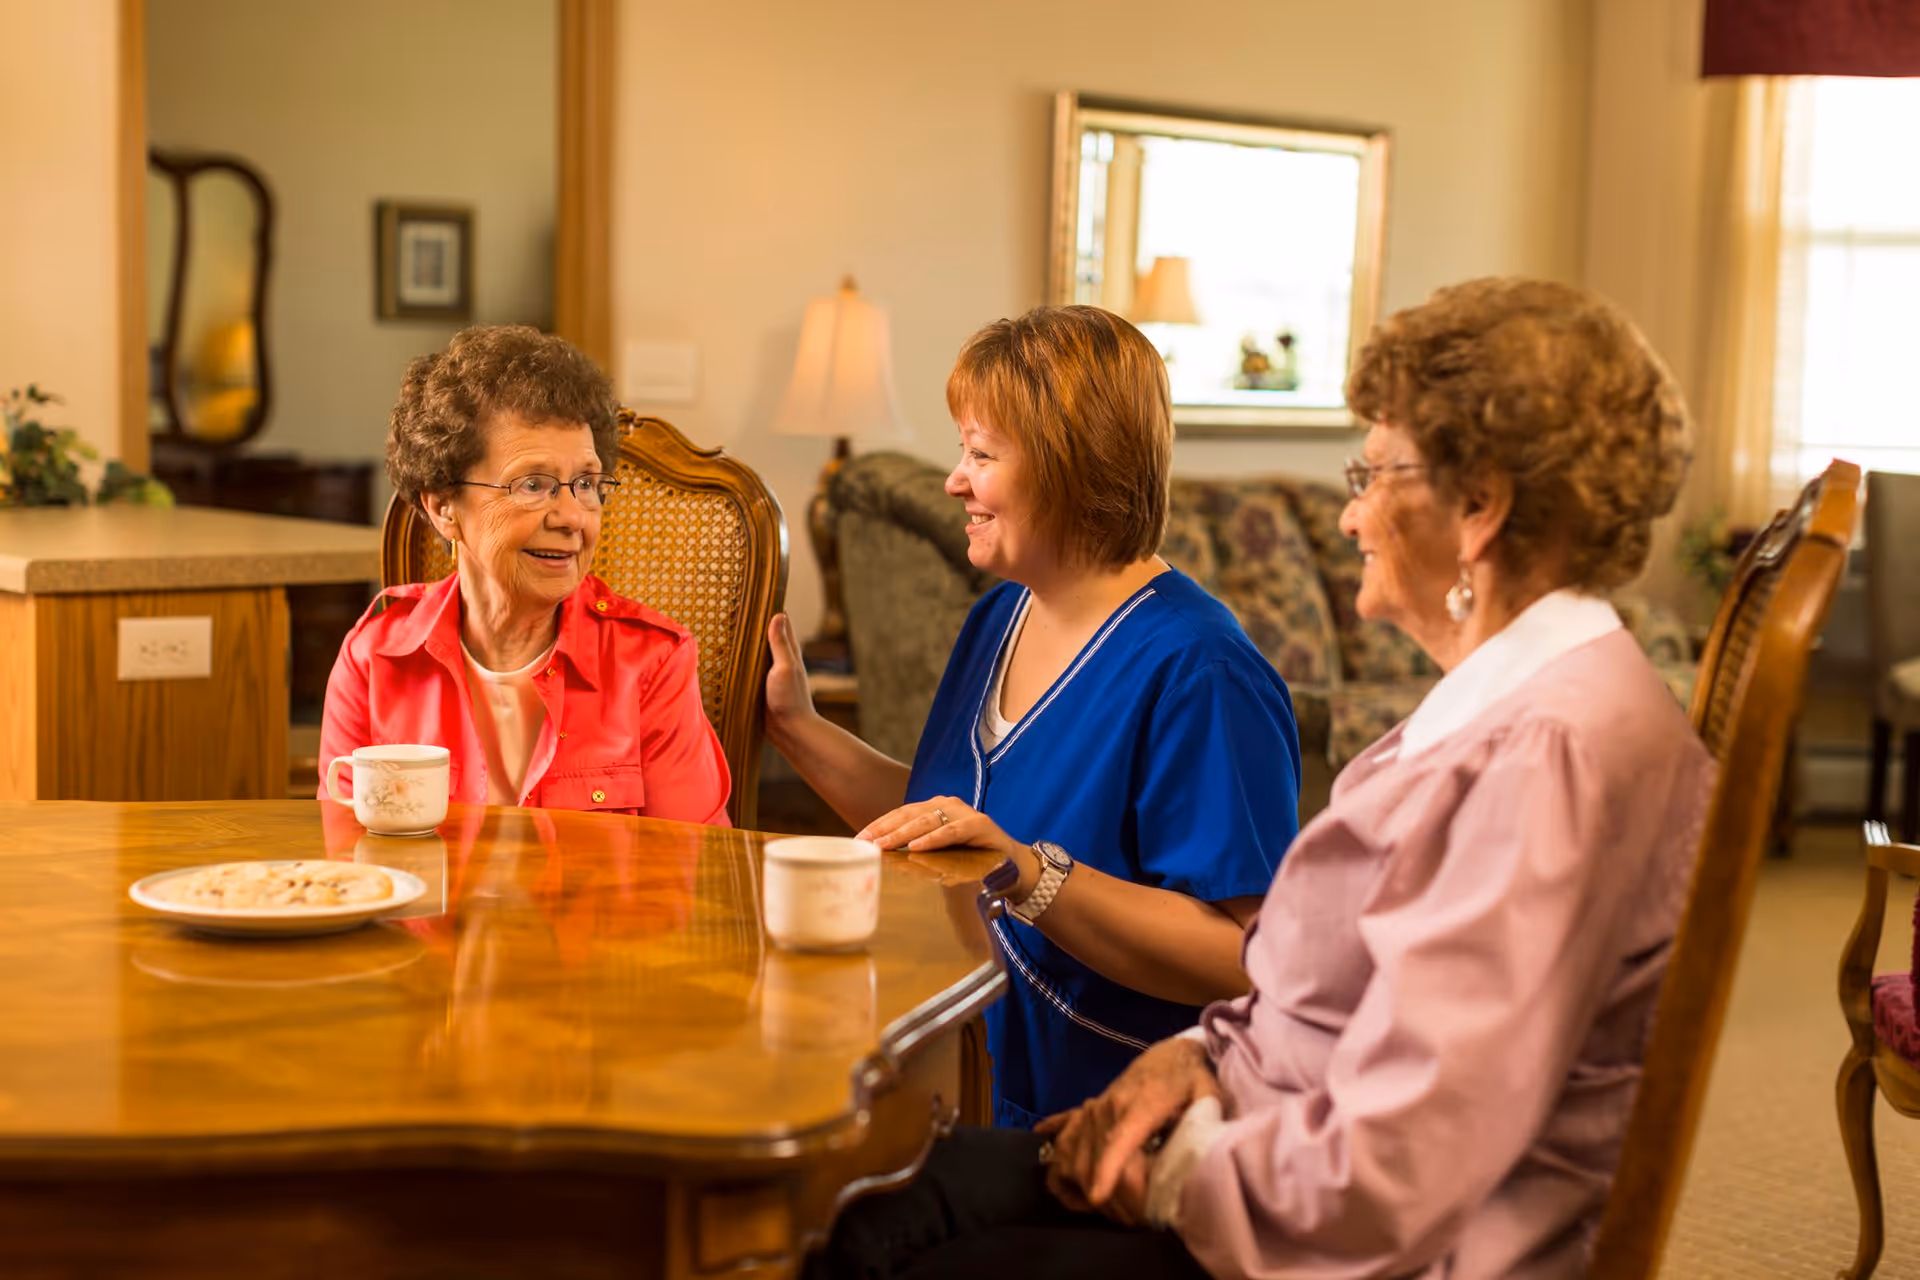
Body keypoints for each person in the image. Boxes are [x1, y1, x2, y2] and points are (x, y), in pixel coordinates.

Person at [808, 277, 1717, 1279]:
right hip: (1257, 1132)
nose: (1349, 518)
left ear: (1479, 509)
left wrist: (1169, 1162)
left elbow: (1386, 1170)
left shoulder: (1551, 758)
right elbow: (1328, 998)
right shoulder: (1512, 710)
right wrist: (1199, 1058)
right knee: (869, 1208)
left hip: (1320, 1232)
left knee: (886, 1242)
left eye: (1371, 475)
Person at [767, 305, 1302, 1128]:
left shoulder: (1201, 670)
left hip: (1095, 1124)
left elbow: (1246, 959)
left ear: (1069, 467)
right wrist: (799, 727)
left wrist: (1032, 875)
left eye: (981, 454)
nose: (955, 481)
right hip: (955, 1088)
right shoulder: (1000, 616)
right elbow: (946, 829)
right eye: (962, 451)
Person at [319, 324, 729, 824]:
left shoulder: (651, 663)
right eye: (533, 485)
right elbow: (345, 864)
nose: (573, 517)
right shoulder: (375, 658)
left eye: (586, 483)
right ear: (445, 507)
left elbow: (695, 878)